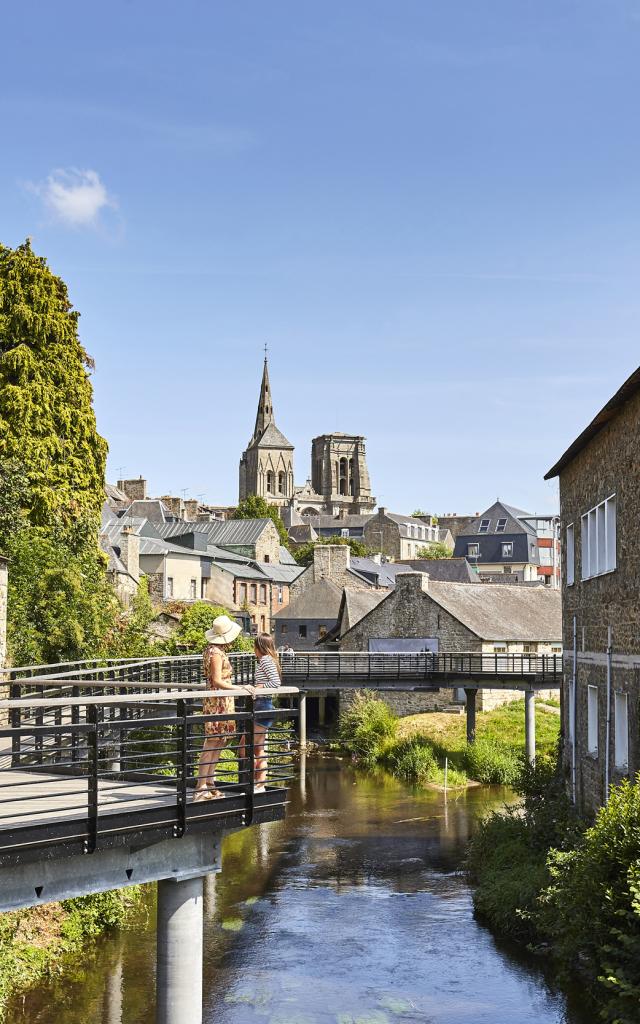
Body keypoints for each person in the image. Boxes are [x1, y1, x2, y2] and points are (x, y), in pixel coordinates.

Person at [194, 614, 242, 802]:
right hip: (217, 702)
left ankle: (210, 782)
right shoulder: (215, 652)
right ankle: (201, 786)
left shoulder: (215, 650)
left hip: (222, 701)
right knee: (212, 742)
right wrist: (240, 688)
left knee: (219, 741)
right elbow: (216, 681)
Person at [252, 632, 282, 792]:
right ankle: (259, 785)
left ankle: (254, 783)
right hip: (263, 705)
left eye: (254, 646)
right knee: (258, 748)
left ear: (260, 647)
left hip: (262, 705)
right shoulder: (267, 660)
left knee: (246, 746)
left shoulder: (265, 660)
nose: (253, 649)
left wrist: (259, 687)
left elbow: (275, 682)